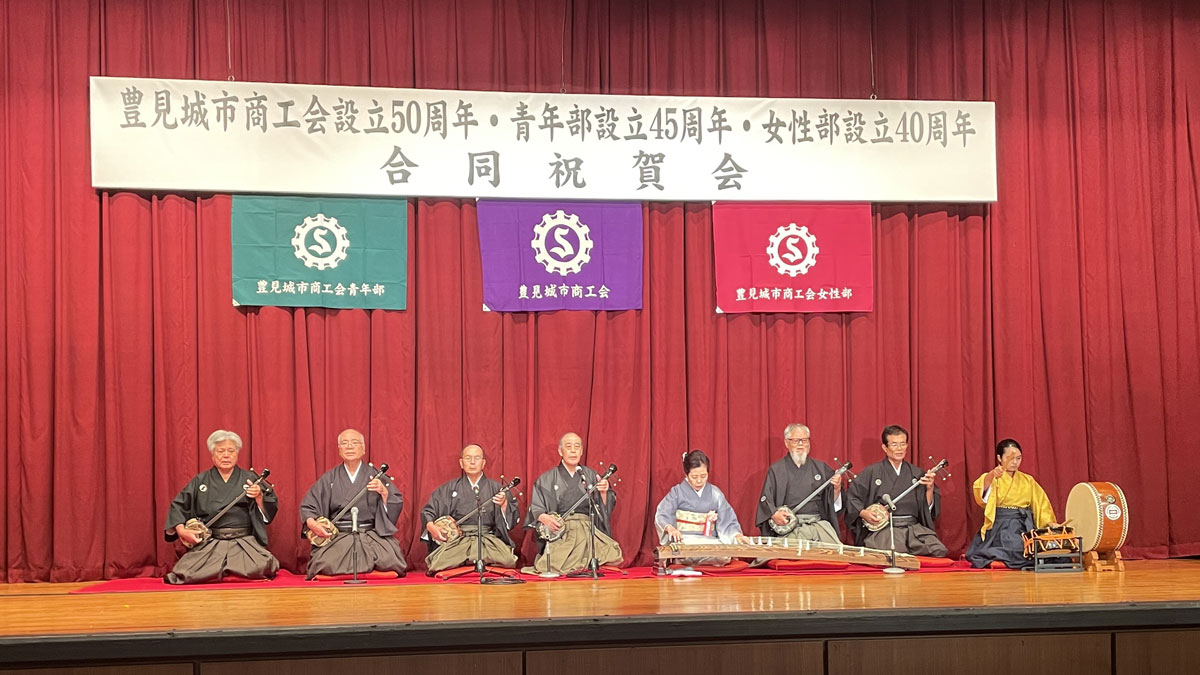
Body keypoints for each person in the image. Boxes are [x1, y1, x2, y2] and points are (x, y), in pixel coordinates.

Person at [163, 430, 279, 585]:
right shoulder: (200, 480)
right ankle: (227, 573)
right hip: (211, 542)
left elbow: (270, 507)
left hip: (243, 542)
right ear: (212, 455)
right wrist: (182, 531)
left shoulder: (251, 479)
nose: (226, 455)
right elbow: (178, 506)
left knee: (262, 566)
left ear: (237, 454)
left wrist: (259, 497)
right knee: (185, 571)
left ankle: (219, 574)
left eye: (231, 451)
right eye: (220, 451)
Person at [299, 429, 407, 579]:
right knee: (324, 563)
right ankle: (368, 572)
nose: (349, 446)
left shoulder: (376, 476)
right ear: (339, 450)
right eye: (345, 443)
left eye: (355, 442)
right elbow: (309, 506)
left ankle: (354, 572)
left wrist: (384, 493)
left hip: (370, 534)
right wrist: (312, 523)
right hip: (339, 535)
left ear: (363, 449)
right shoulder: (329, 478)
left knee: (391, 560)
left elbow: (395, 502)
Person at [522, 432, 622, 574]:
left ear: (581, 451)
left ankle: (583, 562)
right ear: (560, 451)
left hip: (587, 529)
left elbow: (603, 507)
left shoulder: (591, 475)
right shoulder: (547, 478)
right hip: (563, 530)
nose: (573, 451)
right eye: (568, 447)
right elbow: (536, 507)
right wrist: (543, 517)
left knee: (613, 554)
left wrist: (604, 492)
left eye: (577, 447)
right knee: (548, 566)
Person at [845, 424, 949, 557]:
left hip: (913, 529)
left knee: (938, 550)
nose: (899, 449)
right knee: (893, 554)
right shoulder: (871, 472)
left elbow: (926, 510)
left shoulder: (917, 473)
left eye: (902, 444)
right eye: (894, 444)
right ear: (885, 447)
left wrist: (929, 489)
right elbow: (852, 497)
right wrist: (863, 512)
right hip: (885, 529)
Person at [421, 444, 520, 573]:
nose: (472, 462)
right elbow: (429, 511)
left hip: (486, 538)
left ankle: (467, 561)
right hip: (459, 539)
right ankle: (478, 561)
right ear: (461, 463)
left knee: (508, 560)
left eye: (477, 458)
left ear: (483, 463)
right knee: (438, 564)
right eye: (468, 458)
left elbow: (511, 518)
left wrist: (504, 505)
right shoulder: (449, 488)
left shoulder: (497, 489)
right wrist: (430, 526)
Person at [965, 439, 1058, 569]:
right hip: (1002, 526)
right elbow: (983, 498)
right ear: (999, 458)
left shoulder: (1028, 480)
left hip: (1024, 525)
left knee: (1039, 548)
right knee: (1016, 548)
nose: (1015, 462)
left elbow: (1040, 504)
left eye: (1018, 458)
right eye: (1010, 458)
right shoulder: (992, 477)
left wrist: (1049, 523)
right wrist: (991, 476)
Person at [655, 450, 749, 566]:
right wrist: (670, 528)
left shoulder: (715, 494)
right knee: (683, 552)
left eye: (703, 476)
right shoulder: (677, 492)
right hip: (685, 540)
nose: (699, 481)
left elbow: (727, 520)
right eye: (694, 477)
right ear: (686, 475)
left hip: (709, 541)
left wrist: (736, 535)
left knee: (722, 554)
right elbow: (662, 513)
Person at [755, 423, 844, 544]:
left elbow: (831, 503)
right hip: (789, 526)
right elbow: (766, 500)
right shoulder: (777, 470)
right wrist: (774, 514)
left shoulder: (821, 468)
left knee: (835, 552)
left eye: (804, 440)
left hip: (818, 524)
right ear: (786, 443)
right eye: (796, 441)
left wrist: (837, 488)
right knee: (788, 553)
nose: (800, 444)